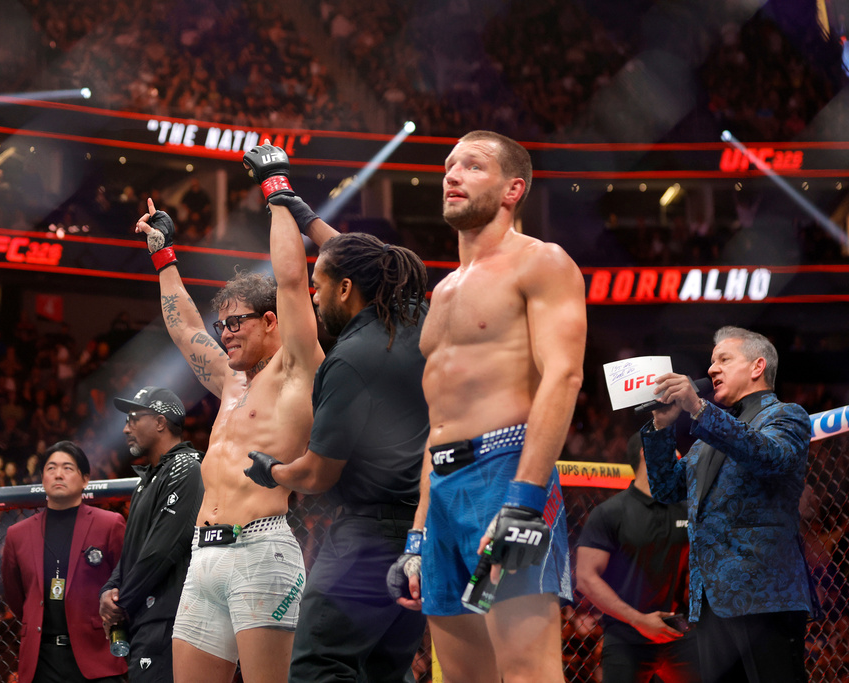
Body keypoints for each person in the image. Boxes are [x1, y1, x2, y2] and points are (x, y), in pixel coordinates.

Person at [388, 130, 586, 683]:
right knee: (459, 674)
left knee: (527, 673)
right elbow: (437, 424)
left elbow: (563, 377)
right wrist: (417, 535)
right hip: (445, 491)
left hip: (507, 473)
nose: (451, 175)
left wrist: (523, 500)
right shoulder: (444, 292)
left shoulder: (540, 263)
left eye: (472, 166)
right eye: (449, 165)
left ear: (512, 189)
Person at [134, 140, 324, 683]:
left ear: (271, 322)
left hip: (261, 548)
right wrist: (163, 255)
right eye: (224, 324)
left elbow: (291, 280)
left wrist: (276, 189)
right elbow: (184, 327)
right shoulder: (230, 380)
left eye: (236, 322)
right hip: (205, 554)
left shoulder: (295, 369)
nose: (225, 333)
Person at [242, 184, 431, 682]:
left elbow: (319, 474)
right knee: (385, 672)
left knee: (317, 667)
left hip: (369, 540)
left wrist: (272, 469)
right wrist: (304, 215)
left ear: (345, 289)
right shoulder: (419, 320)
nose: (314, 295)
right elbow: (370, 259)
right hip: (423, 536)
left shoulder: (350, 360)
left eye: (319, 285)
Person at [642, 326, 815, 683]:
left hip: (765, 596)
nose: (711, 370)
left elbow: (768, 456)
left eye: (723, 359)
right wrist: (661, 426)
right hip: (710, 602)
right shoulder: (709, 439)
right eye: (710, 362)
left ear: (757, 367)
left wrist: (698, 408)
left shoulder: (785, 415)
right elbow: (666, 488)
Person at [100, 387, 205, 682]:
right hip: (147, 618)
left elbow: (163, 550)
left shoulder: (186, 467)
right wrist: (109, 587)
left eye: (133, 418)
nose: (125, 428)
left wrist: (121, 603)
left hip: (171, 620)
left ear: (160, 422)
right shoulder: (150, 478)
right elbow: (133, 551)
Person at [576, 433, 699, 683]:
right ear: (648, 453)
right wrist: (639, 620)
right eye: (672, 449)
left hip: (679, 632)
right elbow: (585, 578)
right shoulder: (610, 513)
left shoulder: (688, 509)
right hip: (626, 634)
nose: (679, 457)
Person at [1, 441, 127, 683]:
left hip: (96, 657)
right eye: (51, 468)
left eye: (68, 468)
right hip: (40, 661)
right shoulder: (17, 533)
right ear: (42, 478)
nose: (58, 474)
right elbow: (17, 598)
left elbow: (127, 582)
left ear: (85, 479)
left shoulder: (110, 524)